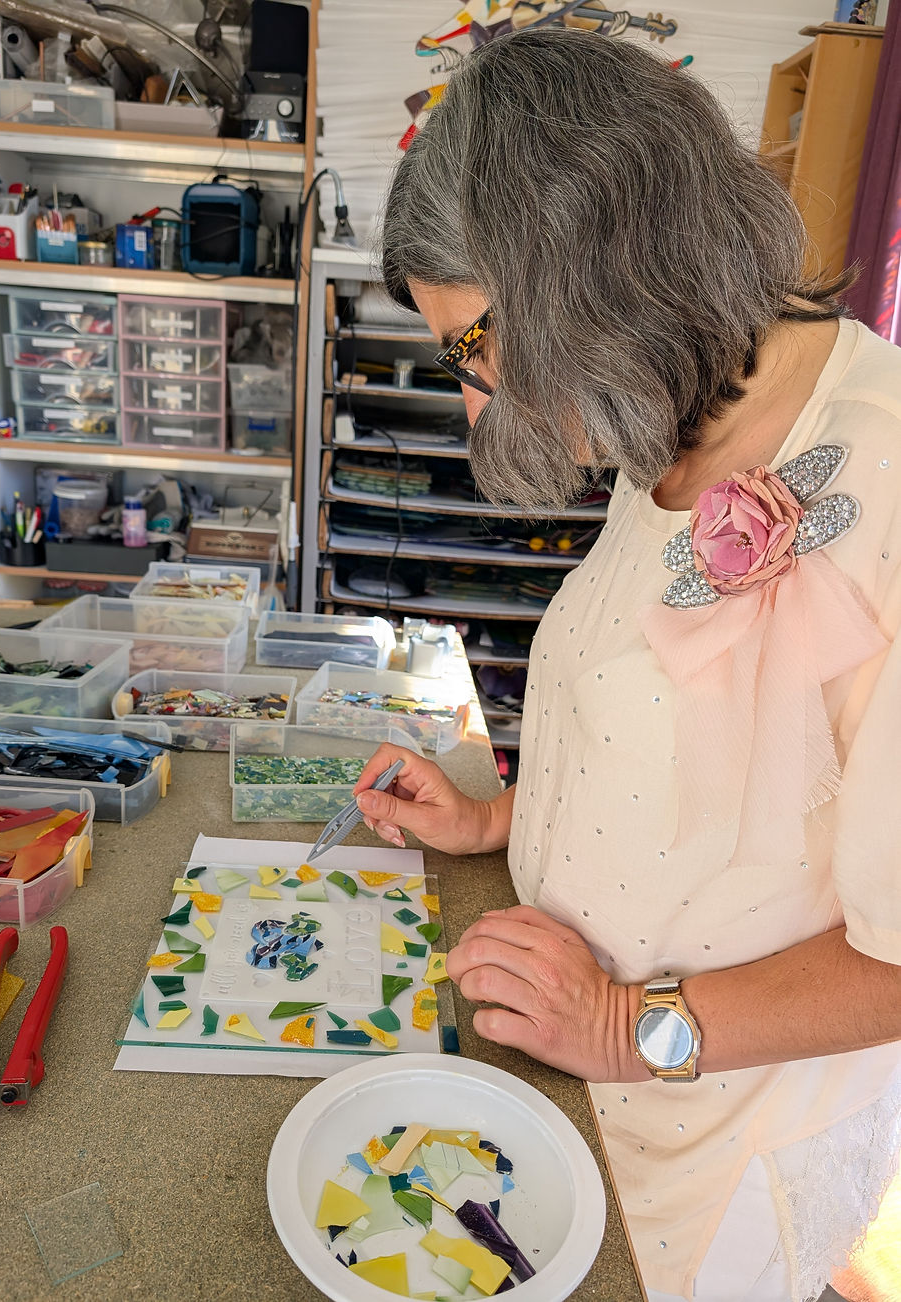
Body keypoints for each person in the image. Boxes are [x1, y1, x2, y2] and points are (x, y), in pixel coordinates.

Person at [351, 27, 901, 1302]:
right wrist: (502, 819)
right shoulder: (665, 402)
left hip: (716, 1128)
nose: (476, 408)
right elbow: (658, 713)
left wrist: (621, 1027)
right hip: (573, 1079)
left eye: (474, 350)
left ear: (602, 271)